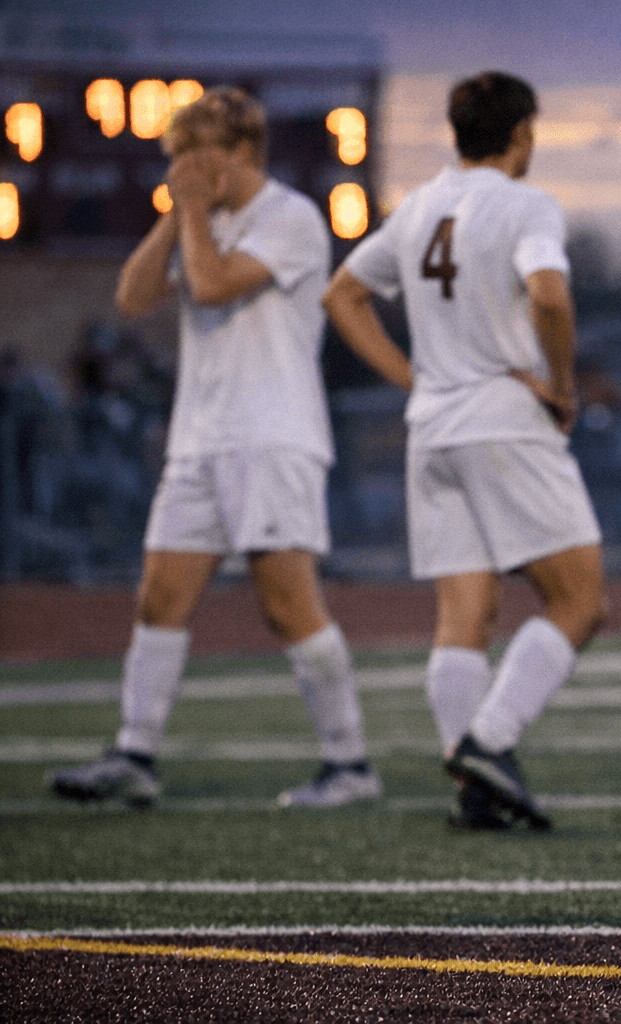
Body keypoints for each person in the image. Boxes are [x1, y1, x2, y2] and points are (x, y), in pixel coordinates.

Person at [47, 88, 379, 810]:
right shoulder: (198, 219)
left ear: (237, 155)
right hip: (200, 441)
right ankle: (135, 753)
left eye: (192, 161)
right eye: (175, 162)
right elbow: (133, 297)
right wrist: (178, 216)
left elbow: (213, 283)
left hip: (274, 438)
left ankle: (350, 762)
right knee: (159, 597)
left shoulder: (291, 217)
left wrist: (190, 214)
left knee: (288, 605)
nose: (181, 175)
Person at [324, 71, 607, 830]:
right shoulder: (525, 203)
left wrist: (412, 377)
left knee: (464, 616)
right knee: (579, 599)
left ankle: (476, 787)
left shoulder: (416, 207)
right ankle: (489, 741)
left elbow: (341, 296)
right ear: (522, 133)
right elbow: (549, 295)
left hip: (434, 429)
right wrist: (561, 385)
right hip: (504, 420)